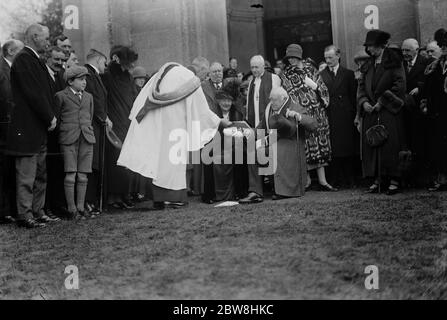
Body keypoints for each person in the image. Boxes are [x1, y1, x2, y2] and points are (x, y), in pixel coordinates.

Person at [117, 63, 232, 210]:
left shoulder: (165, 72)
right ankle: (173, 198)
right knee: (173, 162)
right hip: (175, 124)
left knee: (157, 159)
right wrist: (219, 121)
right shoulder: (190, 80)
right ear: (201, 71)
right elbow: (201, 110)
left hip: (158, 121)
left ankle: (158, 199)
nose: (205, 78)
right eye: (205, 74)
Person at [7, 24, 59, 228]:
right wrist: (50, 117)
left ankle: (37, 211)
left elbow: (43, 92)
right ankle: (25, 214)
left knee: (39, 173)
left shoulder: (32, 60)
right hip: (29, 128)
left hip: (37, 128)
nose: (48, 41)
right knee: (27, 174)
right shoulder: (24, 60)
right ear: (35, 37)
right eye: (45, 38)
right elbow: (34, 94)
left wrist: (49, 117)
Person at [281, 44, 336, 192]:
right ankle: (307, 181)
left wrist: (316, 88)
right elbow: (288, 94)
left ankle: (323, 181)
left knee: (320, 144)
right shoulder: (286, 74)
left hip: (317, 112)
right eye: (289, 58)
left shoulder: (311, 69)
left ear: (299, 56)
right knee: (305, 145)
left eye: (294, 57)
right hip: (301, 114)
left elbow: (323, 89)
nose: (291, 60)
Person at [358, 30, 406, 195]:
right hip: (371, 111)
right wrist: (363, 102)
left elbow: (399, 85)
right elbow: (361, 87)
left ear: (381, 46)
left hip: (388, 112)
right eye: (368, 47)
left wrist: (382, 102)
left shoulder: (394, 62)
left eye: (372, 46)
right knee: (373, 145)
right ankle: (378, 179)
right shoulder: (368, 65)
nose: (370, 50)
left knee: (390, 146)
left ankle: (394, 179)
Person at [256, 87, 318, 199]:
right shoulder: (269, 109)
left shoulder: (294, 107)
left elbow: (313, 124)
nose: (271, 102)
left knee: (277, 150)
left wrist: (298, 116)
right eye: (270, 99)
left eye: (274, 100)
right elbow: (261, 126)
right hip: (273, 139)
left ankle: (284, 191)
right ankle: (258, 190)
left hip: (292, 142)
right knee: (253, 149)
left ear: (283, 98)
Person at [239, 55, 281, 204]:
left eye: (257, 67)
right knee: (253, 154)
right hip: (255, 125)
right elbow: (250, 105)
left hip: (270, 124)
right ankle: (255, 191)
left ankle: (277, 188)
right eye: (252, 67)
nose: (254, 70)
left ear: (264, 66)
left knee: (269, 154)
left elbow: (278, 100)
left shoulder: (274, 78)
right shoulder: (251, 83)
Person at [55, 66, 96, 220]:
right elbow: (57, 118)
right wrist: (68, 131)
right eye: (81, 79)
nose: (84, 82)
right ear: (70, 81)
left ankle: (80, 207)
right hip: (69, 139)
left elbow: (89, 117)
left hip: (86, 138)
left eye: (85, 79)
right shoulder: (60, 96)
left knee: (83, 175)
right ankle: (71, 209)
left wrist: (85, 130)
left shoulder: (89, 97)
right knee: (71, 174)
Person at [101, 45, 139, 209]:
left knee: (126, 161)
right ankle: (114, 197)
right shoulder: (107, 76)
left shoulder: (128, 78)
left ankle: (124, 194)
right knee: (115, 161)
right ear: (116, 59)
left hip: (128, 122)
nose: (130, 65)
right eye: (127, 61)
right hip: (114, 124)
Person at [320, 45, 358, 188]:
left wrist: (355, 115)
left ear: (338, 56)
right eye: (326, 58)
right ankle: (334, 179)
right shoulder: (321, 75)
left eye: (330, 57)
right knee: (333, 149)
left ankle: (350, 179)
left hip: (345, 117)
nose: (328, 60)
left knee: (347, 148)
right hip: (330, 116)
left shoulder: (348, 74)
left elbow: (353, 96)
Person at [84, 49, 110, 214]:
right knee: (92, 164)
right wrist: (104, 117)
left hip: (97, 125)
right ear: (99, 60)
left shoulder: (93, 75)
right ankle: (88, 201)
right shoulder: (88, 74)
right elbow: (94, 99)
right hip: (93, 125)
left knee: (96, 163)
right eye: (104, 63)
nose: (105, 66)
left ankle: (93, 201)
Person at [401, 39, 430, 187]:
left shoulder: (425, 62)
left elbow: (430, 81)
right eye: (403, 50)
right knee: (408, 143)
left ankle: (422, 178)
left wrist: (420, 88)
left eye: (408, 50)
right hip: (404, 109)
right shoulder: (400, 64)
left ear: (417, 49)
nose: (404, 53)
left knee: (421, 143)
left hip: (419, 110)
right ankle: (410, 178)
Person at [0, 39, 23, 225]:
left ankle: (11, 209)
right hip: (3, 128)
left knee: (12, 169)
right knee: (4, 170)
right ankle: (4, 211)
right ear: (10, 51)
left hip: (14, 128)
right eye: (20, 51)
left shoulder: (16, 70)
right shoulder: (2, 71)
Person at [212, 82, 247, 201]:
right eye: (223, 100)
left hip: (234, 144)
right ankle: (211, 194)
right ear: (218, 101)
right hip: (217, 143)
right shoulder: (214, 114)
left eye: (229, 101)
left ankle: (239, 192)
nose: (226, 103)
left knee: (239, 155)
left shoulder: (237, 113)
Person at [421, 32, 447, 191]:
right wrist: (425, 105)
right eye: (442, 46)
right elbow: (427, 88)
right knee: (439, 146)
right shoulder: (434, 67)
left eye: (446, 46)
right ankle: (442, 179)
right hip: (437, 113)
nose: (443, 48)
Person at [201, 62, 224, 203]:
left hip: (225, 128)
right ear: (209, 74)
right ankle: (209, 194)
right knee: (208, 161)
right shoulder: (203, 87)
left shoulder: (227, 85)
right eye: (214, 71)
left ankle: (224, 192)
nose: (217, 74)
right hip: (209, 127)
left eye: (219, 71)